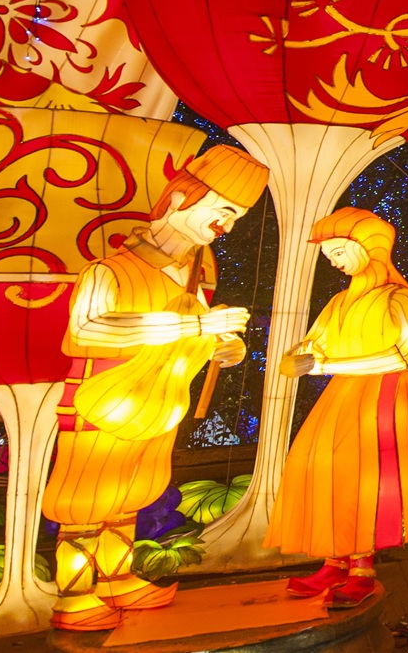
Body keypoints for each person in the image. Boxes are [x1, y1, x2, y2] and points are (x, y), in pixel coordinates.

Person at [39, 145, 266, 631]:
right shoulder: (109, 269)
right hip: (101, 403)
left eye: (238, 215)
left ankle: (117, 578)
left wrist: (222, 346)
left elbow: (190, 331)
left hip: (159, 404)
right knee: (87, 501)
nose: (229, 224)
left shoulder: (200, 274)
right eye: (223, 209)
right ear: (183, 198)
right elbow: (87, 330)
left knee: (128, 498)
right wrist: (191, 328)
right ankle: (74, 594)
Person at [265, 208, 408, 608]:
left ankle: (362, 568)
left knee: (366, 480)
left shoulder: (405, 300)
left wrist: (325, 366)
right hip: (341, 399)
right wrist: (298, 357)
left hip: (385, 400)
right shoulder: (338, 303)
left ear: (370, 247)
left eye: (340, 250)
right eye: (329, 254)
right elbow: (311, 346)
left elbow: (405, 358)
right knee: (317, 470)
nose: (334, 260)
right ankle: (334, 561)